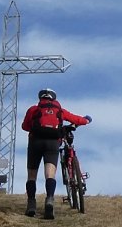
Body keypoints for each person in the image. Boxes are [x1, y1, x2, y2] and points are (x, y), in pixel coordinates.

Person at [21, 88, 90, 219]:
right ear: (54, 99)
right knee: (50, 174)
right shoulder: (60, 111)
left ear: (40, 98)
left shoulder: (33, 110)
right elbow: (76, 119)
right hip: (53, 143)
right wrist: (86, 120)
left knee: (32, 175)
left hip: (35, 142)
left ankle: (31, 205)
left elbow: (25, 126)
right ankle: (49, 201)